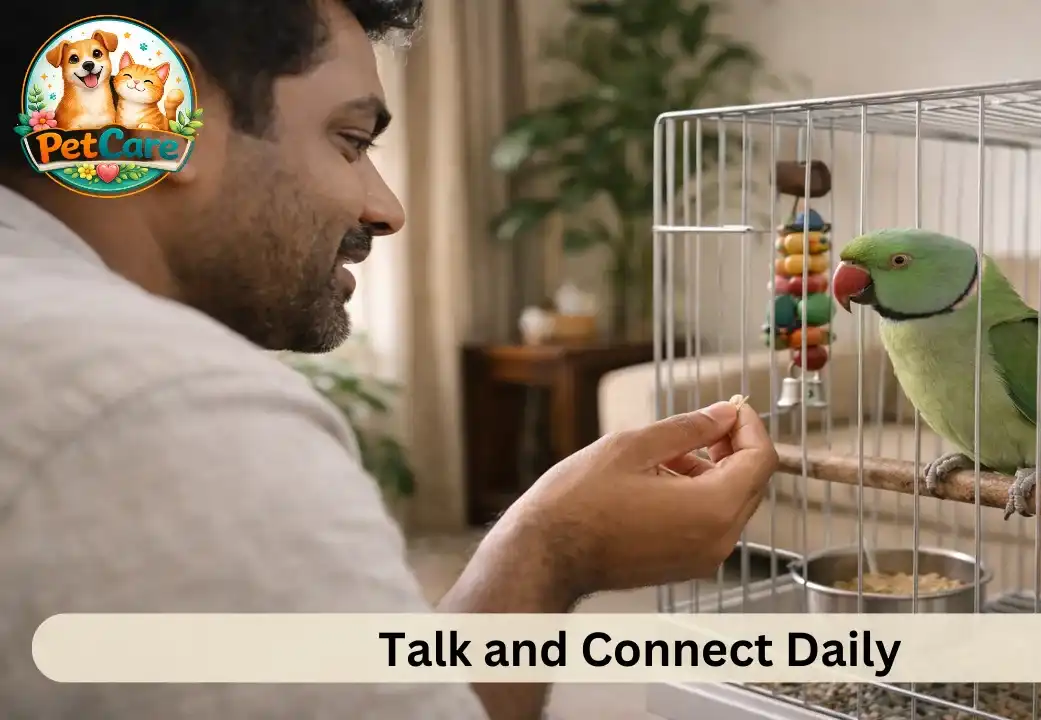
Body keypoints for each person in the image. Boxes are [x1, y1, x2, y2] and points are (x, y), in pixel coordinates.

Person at [0, 1, 779, 719]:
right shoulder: (162, 405)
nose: (387, 209)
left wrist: (538, 541)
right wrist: (559, 550)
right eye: (349, 140)